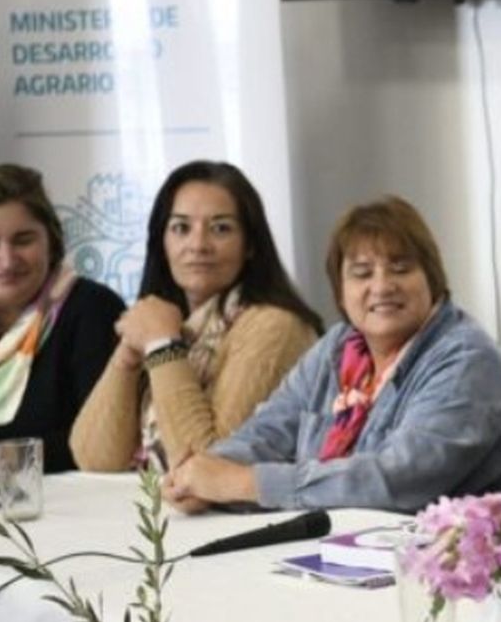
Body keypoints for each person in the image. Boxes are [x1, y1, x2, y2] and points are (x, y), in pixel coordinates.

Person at [160, 195, 501, 513]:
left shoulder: (468, 359)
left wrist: (242, 484)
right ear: (340, 290)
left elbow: (396, 481)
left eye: (400, 269)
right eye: (362, 273)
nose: (382, 286)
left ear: (432, 281)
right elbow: (269, 431)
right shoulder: (339, 346)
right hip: (345, 551)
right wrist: (201, 474)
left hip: (451, 571)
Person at [71, 161, 322, 473]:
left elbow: (209, 464)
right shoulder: (168, 322)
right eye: (181, 228)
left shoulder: (276, 326)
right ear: (162, 244)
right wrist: (128, 354)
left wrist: (162, 347)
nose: (198, 245)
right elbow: (95, 459)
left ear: (251, 245)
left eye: (220, 228)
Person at [0, 163, 124, 472]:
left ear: (51, 242)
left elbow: (104, 442)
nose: (7, 260)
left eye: (23, 240)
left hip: (74, 509)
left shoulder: (92, 310)